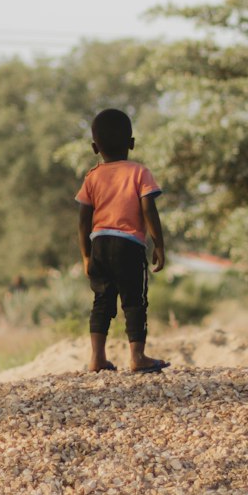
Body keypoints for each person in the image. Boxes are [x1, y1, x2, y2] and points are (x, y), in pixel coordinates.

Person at [76, 108, 169, 374]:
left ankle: (97, 358)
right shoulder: (140, 172)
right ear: (132, 143)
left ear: (95, 147)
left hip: (100, 244)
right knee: (134, 300)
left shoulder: (92, 177)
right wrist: (159, 245)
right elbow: (149, 209)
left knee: (102, 300)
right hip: (129, 245)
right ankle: (137, 357)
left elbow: (83, 219)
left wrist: (85, 255)